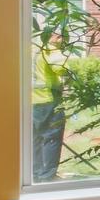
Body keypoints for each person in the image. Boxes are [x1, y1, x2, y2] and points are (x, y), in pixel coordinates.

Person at [29, 37, 69, 182]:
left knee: (35, 138)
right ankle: (47, 176)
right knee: (52, 138)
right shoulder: (50, 49)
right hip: (48, 100)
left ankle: (35, 174)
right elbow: (61, 69)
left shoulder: (31, 48)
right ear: (53, 35)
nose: (62, 39)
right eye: (60, 36)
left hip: (30, 101)